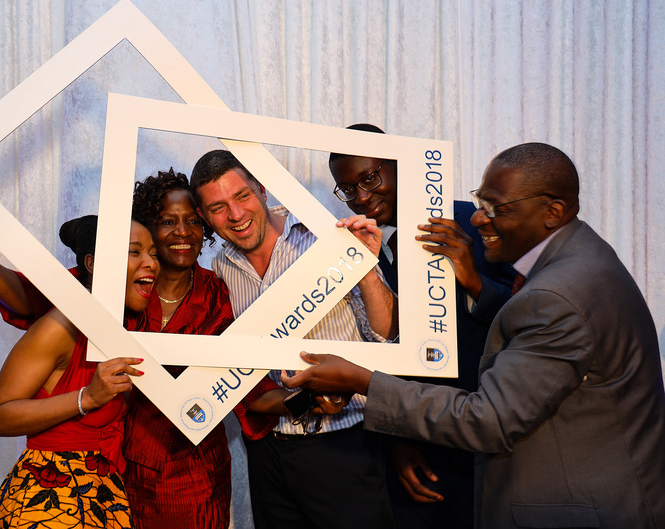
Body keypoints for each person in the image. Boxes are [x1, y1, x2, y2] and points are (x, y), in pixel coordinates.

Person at [283, 142, 665, 528]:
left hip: (559, 489)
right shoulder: (585, 255)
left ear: (553, 212)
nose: (481, 220)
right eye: (481, 203)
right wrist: (398, 439)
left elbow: (495, 410)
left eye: (496, 208)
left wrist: (363, 381)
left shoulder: (551, 288)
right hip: (450, 441)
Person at [0, 173, 280, 529]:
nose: (182, 232)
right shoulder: (106, 291)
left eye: (192, 222)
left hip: (189, 474)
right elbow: (26, 295)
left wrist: (302, 395)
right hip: (118, 476)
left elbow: (243, 378)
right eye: (167, 222)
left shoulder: (215, 293)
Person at [189, 149, 398, 529]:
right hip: (268, 450)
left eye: (242, 196)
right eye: (218, 208)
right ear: (203, 217)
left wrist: (367, 271)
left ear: (263, 190)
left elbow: (387, 336)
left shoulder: (327, 237)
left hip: (344, 444)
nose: (235, 216)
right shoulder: (220, 268)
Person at [329, 124, 515, 528]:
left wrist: (472, 277)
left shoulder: (467, 221)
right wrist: (396, 442)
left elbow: (530, 320)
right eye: (347, 189)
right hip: (416, 443)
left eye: (370, 177)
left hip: (488, 434)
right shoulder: (357, 251)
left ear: (400, 164)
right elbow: (379, 350)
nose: (361, 197)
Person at [0, 216, 157, 528]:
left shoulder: (126, 328)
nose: (151, 263)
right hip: (47, 500)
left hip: (105, 494)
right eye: (135, 252)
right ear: (92, 264)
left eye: (154, 254)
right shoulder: (59, 326)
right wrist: (86, 398)